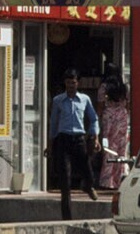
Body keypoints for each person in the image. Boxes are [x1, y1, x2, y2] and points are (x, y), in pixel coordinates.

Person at [48, 67, 99, 218]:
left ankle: (88, 186)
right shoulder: (58, 100)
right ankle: (67, 217)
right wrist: (50, 145)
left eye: (74, 82)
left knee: (87, 170)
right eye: (69, 82)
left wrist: (94, 137)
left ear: (78, 83)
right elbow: (53, 123)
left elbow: (94, 118)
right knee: (65, 180)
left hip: (79, 139)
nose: (71, 85)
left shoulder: (84, 99)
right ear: (65, 83)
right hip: (63, 140)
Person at [97, 78, 131, 191]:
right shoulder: (125, 87)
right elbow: (128, 106)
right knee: (122, 150)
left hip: (109, 119)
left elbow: (100, 107)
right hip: (122, 118)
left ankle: (107, 181)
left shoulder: (104, 87)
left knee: (108, 149)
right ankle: (120, 179)